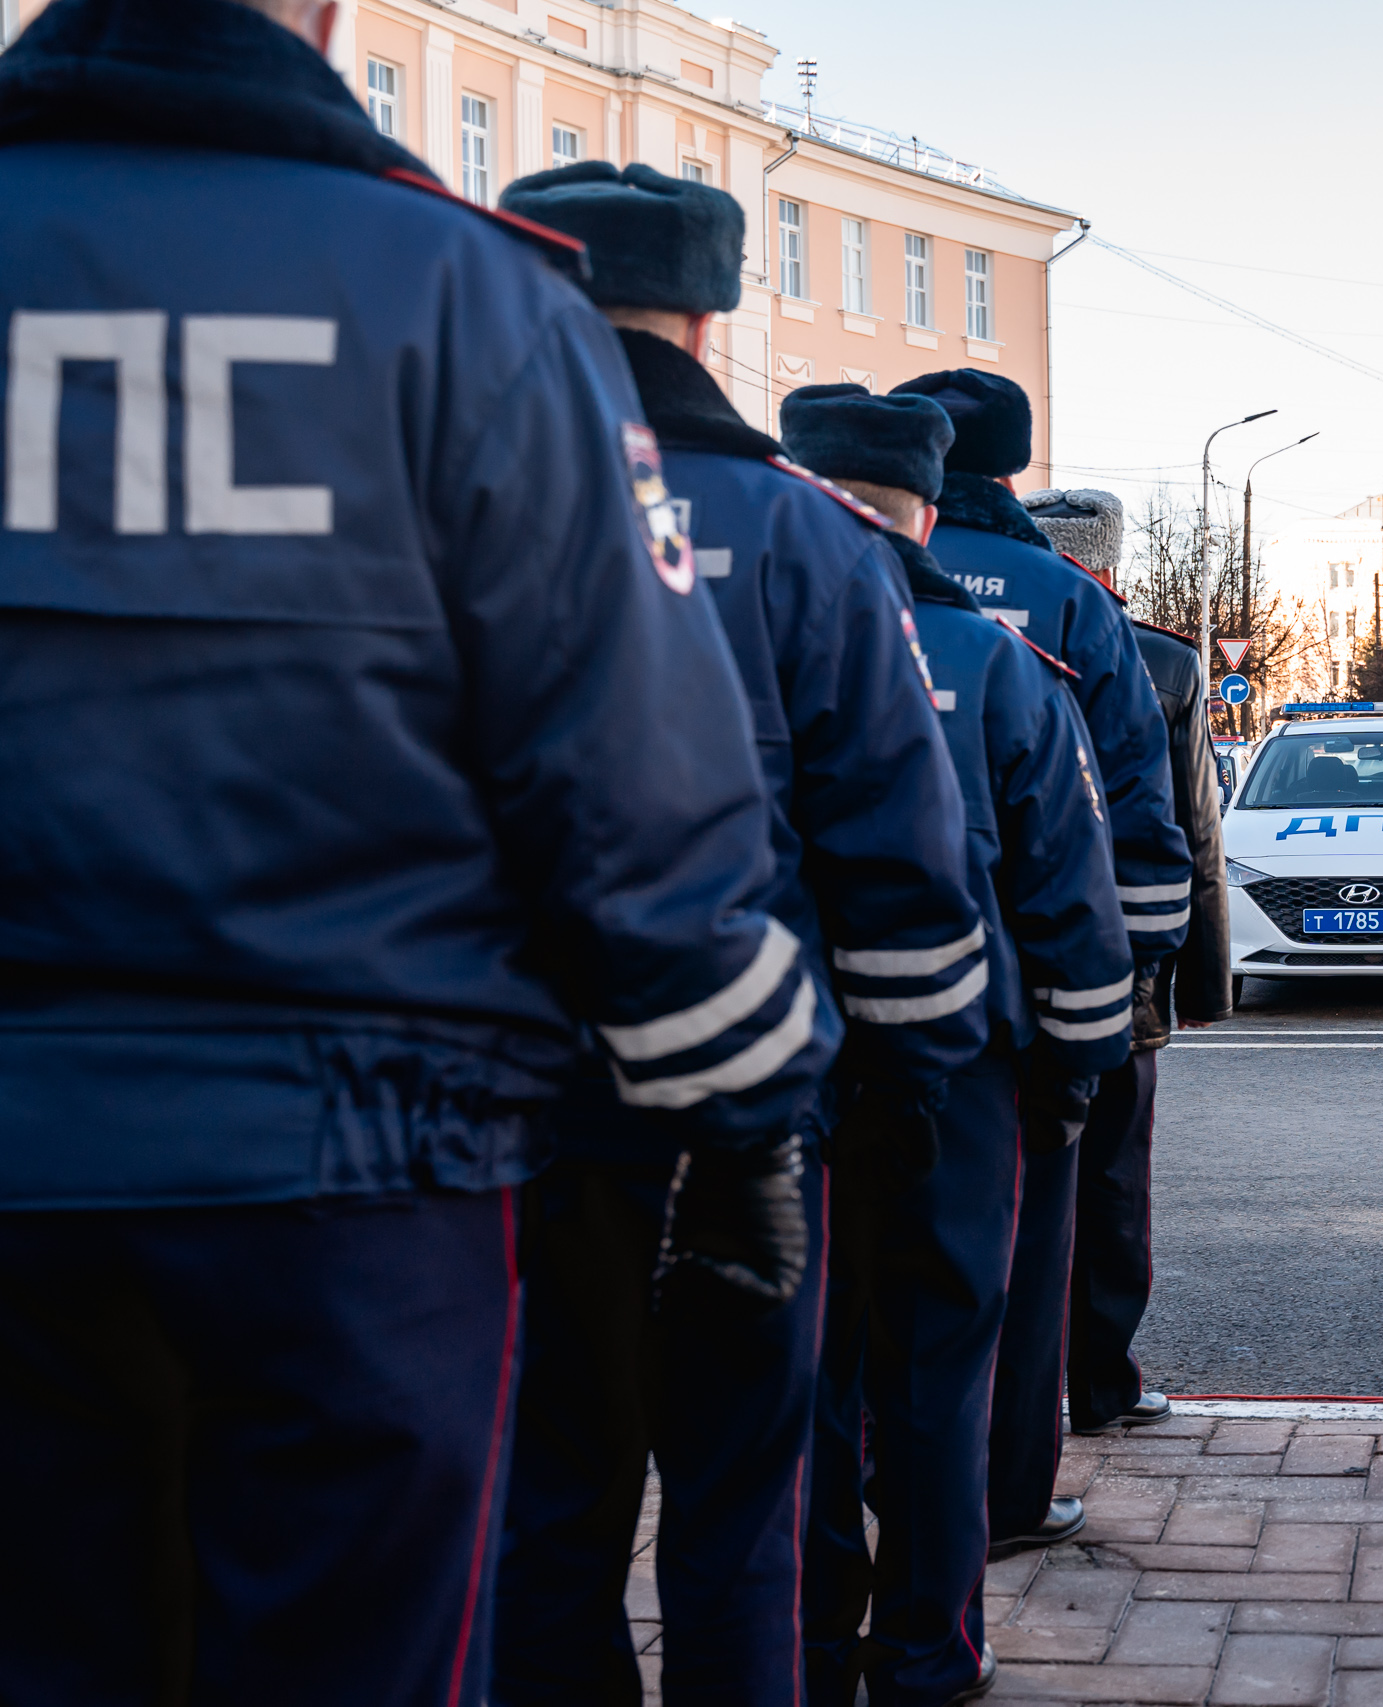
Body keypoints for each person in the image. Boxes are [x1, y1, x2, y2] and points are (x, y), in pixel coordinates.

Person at [0, 5, 832, 1702]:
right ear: (321, 14)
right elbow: (636, 796)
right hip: (363, 1177)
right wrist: (746, 1118)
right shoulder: (472, 297)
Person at [485, 166, 989, 1706]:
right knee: (742, 1501)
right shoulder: (810, 537)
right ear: (713, 313)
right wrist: (902, 1096)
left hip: (507, 1110)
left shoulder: (456, 499)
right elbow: (907, 858)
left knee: (545, 1497)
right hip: (753, 1112)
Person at [780, 386, 1133, 1707]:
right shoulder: (997, 663)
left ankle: (805, 1641)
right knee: (940, 1363)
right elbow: (1069, 894)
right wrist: (1075, 1072)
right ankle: (931, 1645)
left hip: (783, 1068)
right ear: (928, 510)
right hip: (962, 1076)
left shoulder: (734, 638)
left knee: (803, 1367)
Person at [889, 372, 1190, 1547]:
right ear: (1012, 467)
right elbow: (1134, 814)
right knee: (1019, 1253)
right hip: (1028, 991)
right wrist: (1128, 988)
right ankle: (1008, 1499)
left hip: (836, 989)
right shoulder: (1064, 598)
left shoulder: (826, 582)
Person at [1026, 488, 1234, 1434]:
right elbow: (1194, 838)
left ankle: (1006, 1399)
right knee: (1110, 1186)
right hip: (1123, 973)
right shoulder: (1161, 660)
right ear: (1109, 563)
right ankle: (1101, 1383)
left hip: (992, 970)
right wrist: (1200, 986)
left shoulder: (942, 620)